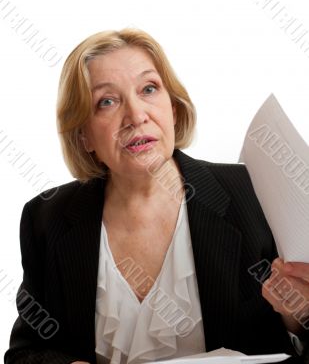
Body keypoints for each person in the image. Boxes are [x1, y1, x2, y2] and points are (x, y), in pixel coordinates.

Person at [4, 28, 309, 364]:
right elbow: (26, 353)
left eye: (149, 89)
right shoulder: (47, 218)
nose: (136, 116)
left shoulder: (250, 191)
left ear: (174, 109)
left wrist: (298, 316)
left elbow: (288, 338)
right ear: (83, 137)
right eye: (107, 101)